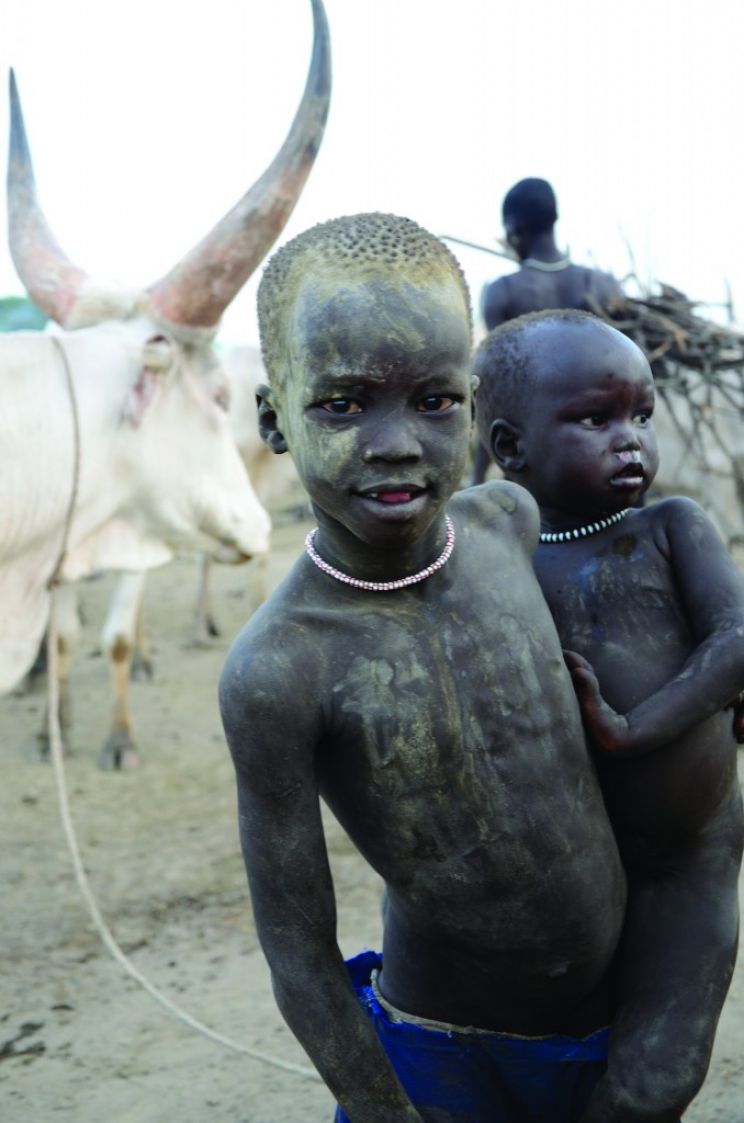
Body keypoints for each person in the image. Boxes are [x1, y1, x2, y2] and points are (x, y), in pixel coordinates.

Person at [219, 213, 628, 1123]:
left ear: (474, 403)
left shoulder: (508, 525)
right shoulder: (281, 667)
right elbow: (297, 949)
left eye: (435, 401)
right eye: (342, 403)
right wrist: (384, 1110)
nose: (396, 442)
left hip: (613, 1015)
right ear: (274, 418)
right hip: (442, 1052)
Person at [473, 307, 744, 1121]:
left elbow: (737, 640)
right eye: (596, 418)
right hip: (562, 887)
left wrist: (636, 727)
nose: (631, 439)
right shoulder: (495, 557)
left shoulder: (672, 528)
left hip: (683, 866)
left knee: (648, 1086)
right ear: (511, 448)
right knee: (555, 1071)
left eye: (642, 415)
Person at [472, 177, 622, 484]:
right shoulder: (601, 285)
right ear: (554, 217)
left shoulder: (503, 293)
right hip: (603, 457)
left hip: (537, 466)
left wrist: (475, 482)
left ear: (513, 226)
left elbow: (497, 392)